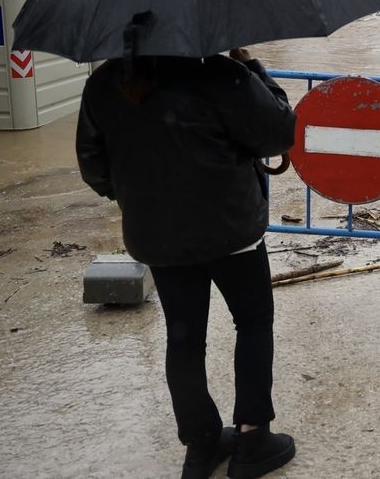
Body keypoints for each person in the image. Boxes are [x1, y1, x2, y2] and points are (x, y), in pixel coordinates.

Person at [76, 48, 298, 479]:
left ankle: (201, 446)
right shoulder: (219, 74)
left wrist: (135, 196)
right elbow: (279, 132)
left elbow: (94, 167)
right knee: (252, 324)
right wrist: (251, 68)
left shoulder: (105, 83)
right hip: (232, 230)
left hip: (159, 238)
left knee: (184, 340)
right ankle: (252, 440)